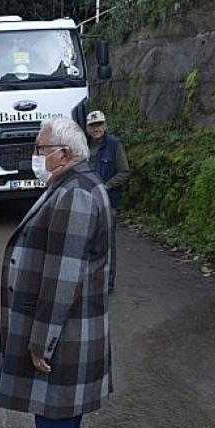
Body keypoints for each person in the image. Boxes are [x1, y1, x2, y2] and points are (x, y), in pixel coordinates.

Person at [0, 117, 113, 428]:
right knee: (56, 424)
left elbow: (63, 276)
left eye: (41, 148)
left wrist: (40, 339)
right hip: (69, 331)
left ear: (63, 154)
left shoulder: (76, 194)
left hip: (63, 337)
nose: (36, 155)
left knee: (57, 424)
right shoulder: (71, 186)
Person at [86, 110, 130, 293]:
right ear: (87, 128)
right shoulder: (83, 146)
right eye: (93, 125)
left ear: (105, 126)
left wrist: (107, 186)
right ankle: (91, 281)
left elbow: (124, 172)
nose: (97, 128)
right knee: (88, 242)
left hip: (108, 203)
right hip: (87, 203)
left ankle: (108, 283)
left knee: (108, 244)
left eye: (99, 124)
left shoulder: (114, 144)